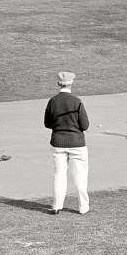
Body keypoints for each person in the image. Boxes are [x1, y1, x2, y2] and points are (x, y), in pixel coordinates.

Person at [43, 71, 90, 215]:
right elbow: (85, 125)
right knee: (80, 177)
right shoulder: (77, 101)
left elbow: (47, 123)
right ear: (71, 83)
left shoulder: (52, 101)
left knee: (59, 175)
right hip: (77, 143)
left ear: (58, 83)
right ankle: (83, 207)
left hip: (58, 143)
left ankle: (57, 206)